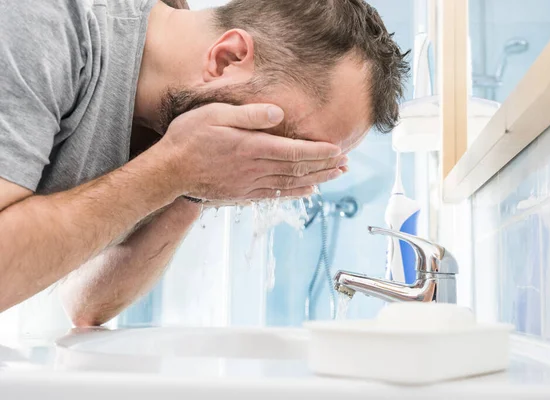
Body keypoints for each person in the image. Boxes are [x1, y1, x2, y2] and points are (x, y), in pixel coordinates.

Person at [0, 0, 409, 326]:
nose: (280, 169)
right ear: (227, 58)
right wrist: (174, 169)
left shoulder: (175, 117)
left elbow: (87, 305)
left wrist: (193, 188)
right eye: (288, 144)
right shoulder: (44, 22)